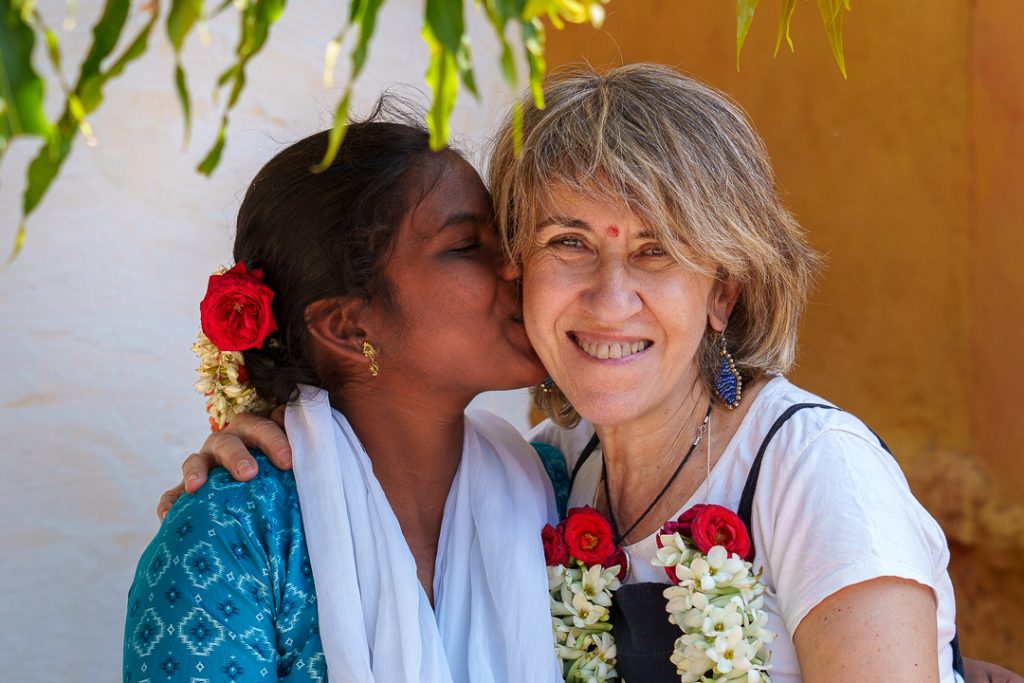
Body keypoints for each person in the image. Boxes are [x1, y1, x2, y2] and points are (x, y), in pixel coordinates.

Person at [163, 66, 1022, 683]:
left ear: (723, 290)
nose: (611, 298)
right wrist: (269, 442)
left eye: (657, 250)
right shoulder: (553, 474)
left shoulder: (810, 470)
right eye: (566, 241)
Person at [123, 115, 563, 682]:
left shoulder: (554, 488)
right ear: (349, 328)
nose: (516, 264)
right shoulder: (234, 535)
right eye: (465, 245)